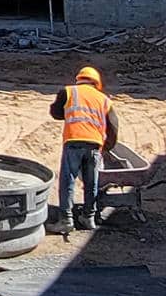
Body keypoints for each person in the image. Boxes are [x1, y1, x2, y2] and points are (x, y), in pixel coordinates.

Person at [50, 65, 119, 230]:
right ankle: (89, 217)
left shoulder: (68, 91)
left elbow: (55, 113)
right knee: (92, 182)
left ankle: (66, 220)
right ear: (97, 83)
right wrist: (107, 147)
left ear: (79, 80)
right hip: (95, 145)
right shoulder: (104, 100)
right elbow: (114, 126)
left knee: (68, 180)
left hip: (73, 141)